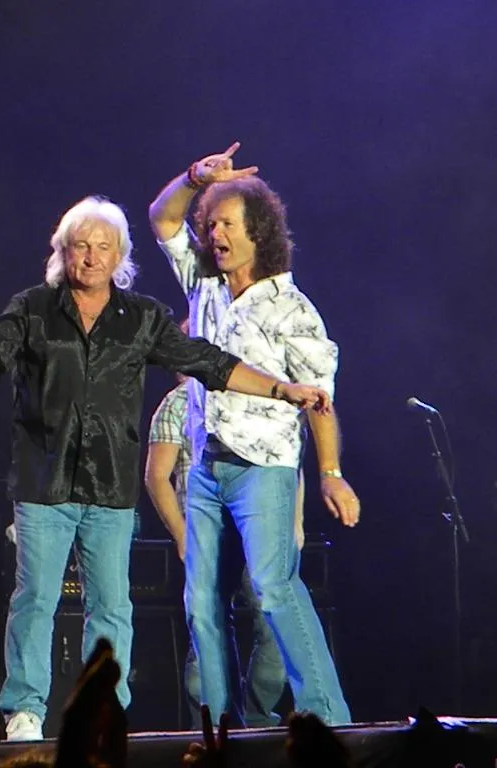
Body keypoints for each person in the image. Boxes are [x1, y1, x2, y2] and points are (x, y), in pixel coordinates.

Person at [0, 195, 333, 741]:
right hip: (42, 484)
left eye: (103, 246)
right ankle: (25, 711)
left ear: (119, 256)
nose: (91, 256)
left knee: (111, 608)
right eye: (81, 245)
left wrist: (280, 388)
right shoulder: (32, 308)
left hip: (109, 488)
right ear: (63, 251)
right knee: (35, 599)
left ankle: (102, 711)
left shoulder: (142, 318)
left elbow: (210, 363)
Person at [149, 141, 361, 726]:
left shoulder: (293, 308)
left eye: (227, 224)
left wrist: (331, 474)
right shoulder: (203, 284)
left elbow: (320, 402)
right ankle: (222, 729)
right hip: (204, 468)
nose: (214, 233)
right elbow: (162, 218)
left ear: (258, 233)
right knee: (201, 605)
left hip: (262, 469)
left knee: (272, 588)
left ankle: (330, 719)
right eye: (210, 224)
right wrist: (197, 178)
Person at [145, 367, 305, 727]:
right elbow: (156, 476)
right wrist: (182, 534)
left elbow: (287, 462)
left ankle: (257, 719)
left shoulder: (256, 394)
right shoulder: (177, 404)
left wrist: (295, 520)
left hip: (260, 528)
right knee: (208, 625)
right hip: (210, 533)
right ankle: (218, 726)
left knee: (276, 627)